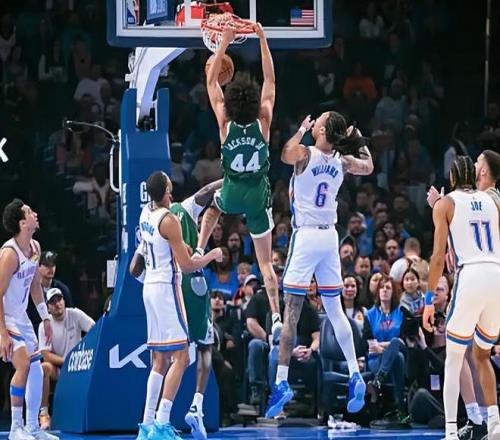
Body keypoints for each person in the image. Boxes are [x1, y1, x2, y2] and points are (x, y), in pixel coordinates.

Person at [265, 111, 374, 418]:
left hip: (306, 236)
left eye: (319, 121)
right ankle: (355, 373)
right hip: (329, 238)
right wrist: (358, 138)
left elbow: (284, 154)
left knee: (292, 312)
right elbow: (368, 165)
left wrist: (301, 129)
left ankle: (281, 381)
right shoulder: (342, 160)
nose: (315, 122)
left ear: (322, 130)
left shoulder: (305, 154)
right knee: (335, 310)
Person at [197, 25, 282, 341]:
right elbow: (270, 81)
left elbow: (210, 82)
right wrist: (262, 39)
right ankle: (276, 316)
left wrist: (224, 43)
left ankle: (199, 248)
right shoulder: (264, 121)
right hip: (257, 194)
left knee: (212, 207)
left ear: (232, 102)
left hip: (232, 190)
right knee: (265, 263)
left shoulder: (225, 123)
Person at [129, 172, 223, 440]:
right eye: (170, 188)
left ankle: (147, 424)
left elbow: (136, 265)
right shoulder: (169, 220)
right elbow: (187, 265)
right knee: (181, 358)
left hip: (149, 288)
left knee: (159, 360)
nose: (172, 192)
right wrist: (211, 255)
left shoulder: (145, 214)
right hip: (167, 288)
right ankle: (161, 424)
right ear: (164, 191)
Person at [423, 156, 500, 440]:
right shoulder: (493, 201)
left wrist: (429, 300)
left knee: (454, 358)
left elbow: (437, 258)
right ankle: (495, 423)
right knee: (482, 354)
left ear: (452, 177)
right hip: (496, 275)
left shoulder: (446, 204)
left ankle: (451, 432)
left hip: (471, 276)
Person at [0, 199, 58, 440]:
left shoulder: (35, 247)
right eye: (29, 212)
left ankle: (32, 427)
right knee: (23, 364)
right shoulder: (9, 254)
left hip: (21, 316)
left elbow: (35, 285)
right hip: (4, 316)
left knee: (36, 368)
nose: (35, 214)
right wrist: (3, 333)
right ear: (22, 223)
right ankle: (16, 428)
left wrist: (45, 317)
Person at [37, 288, 95, 430]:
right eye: (53, 302)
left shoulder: (75, 314)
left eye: (59, 299)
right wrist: (66, 361)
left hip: (79, 366)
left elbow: (95, 331)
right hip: (59, 367)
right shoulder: (44, 325)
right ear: (48, 308)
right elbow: (45, 354)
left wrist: (84, 352)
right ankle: (44, 413)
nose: (57, 304)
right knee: (44, 368)